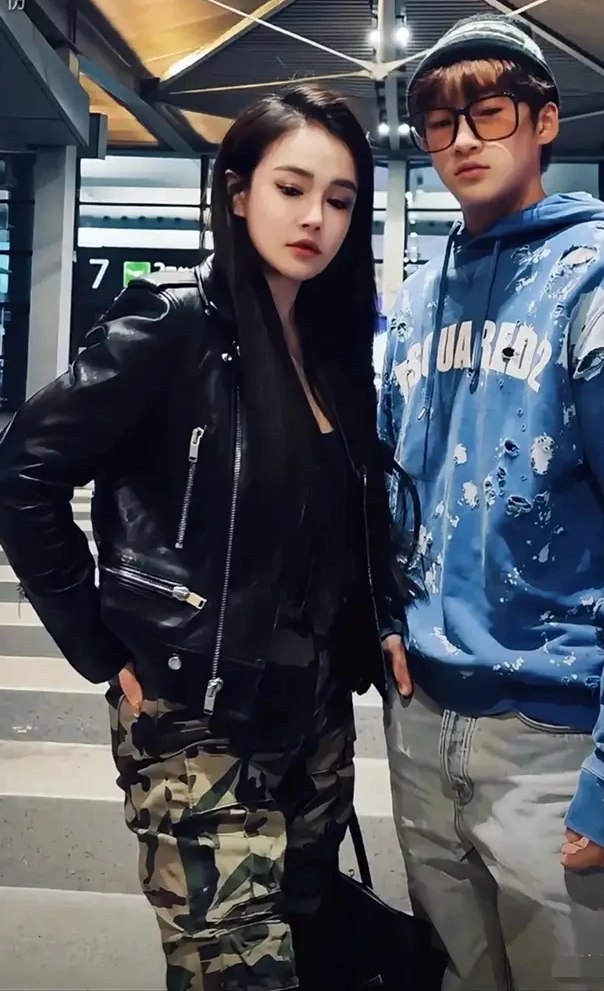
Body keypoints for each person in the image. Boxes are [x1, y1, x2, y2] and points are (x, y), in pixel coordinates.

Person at [0, 86, 418, 991]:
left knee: (306, 943)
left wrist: (380, 617)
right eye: (291, 188)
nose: (314, 218)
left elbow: (346, 517)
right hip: (194, 713)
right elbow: (24, 472)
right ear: (237, 192)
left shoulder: (331, 345)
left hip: (312, 717)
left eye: (339, 199)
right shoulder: (171, 325)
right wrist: (99, 644)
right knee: (235, 967)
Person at [378, 14, 604, 991]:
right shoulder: (419, 295)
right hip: (422, 729)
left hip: (559, 740)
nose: (462, 140)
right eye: (441, 122)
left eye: (488, 112)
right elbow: (394, 488)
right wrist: (388, 616)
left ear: (543, 119)